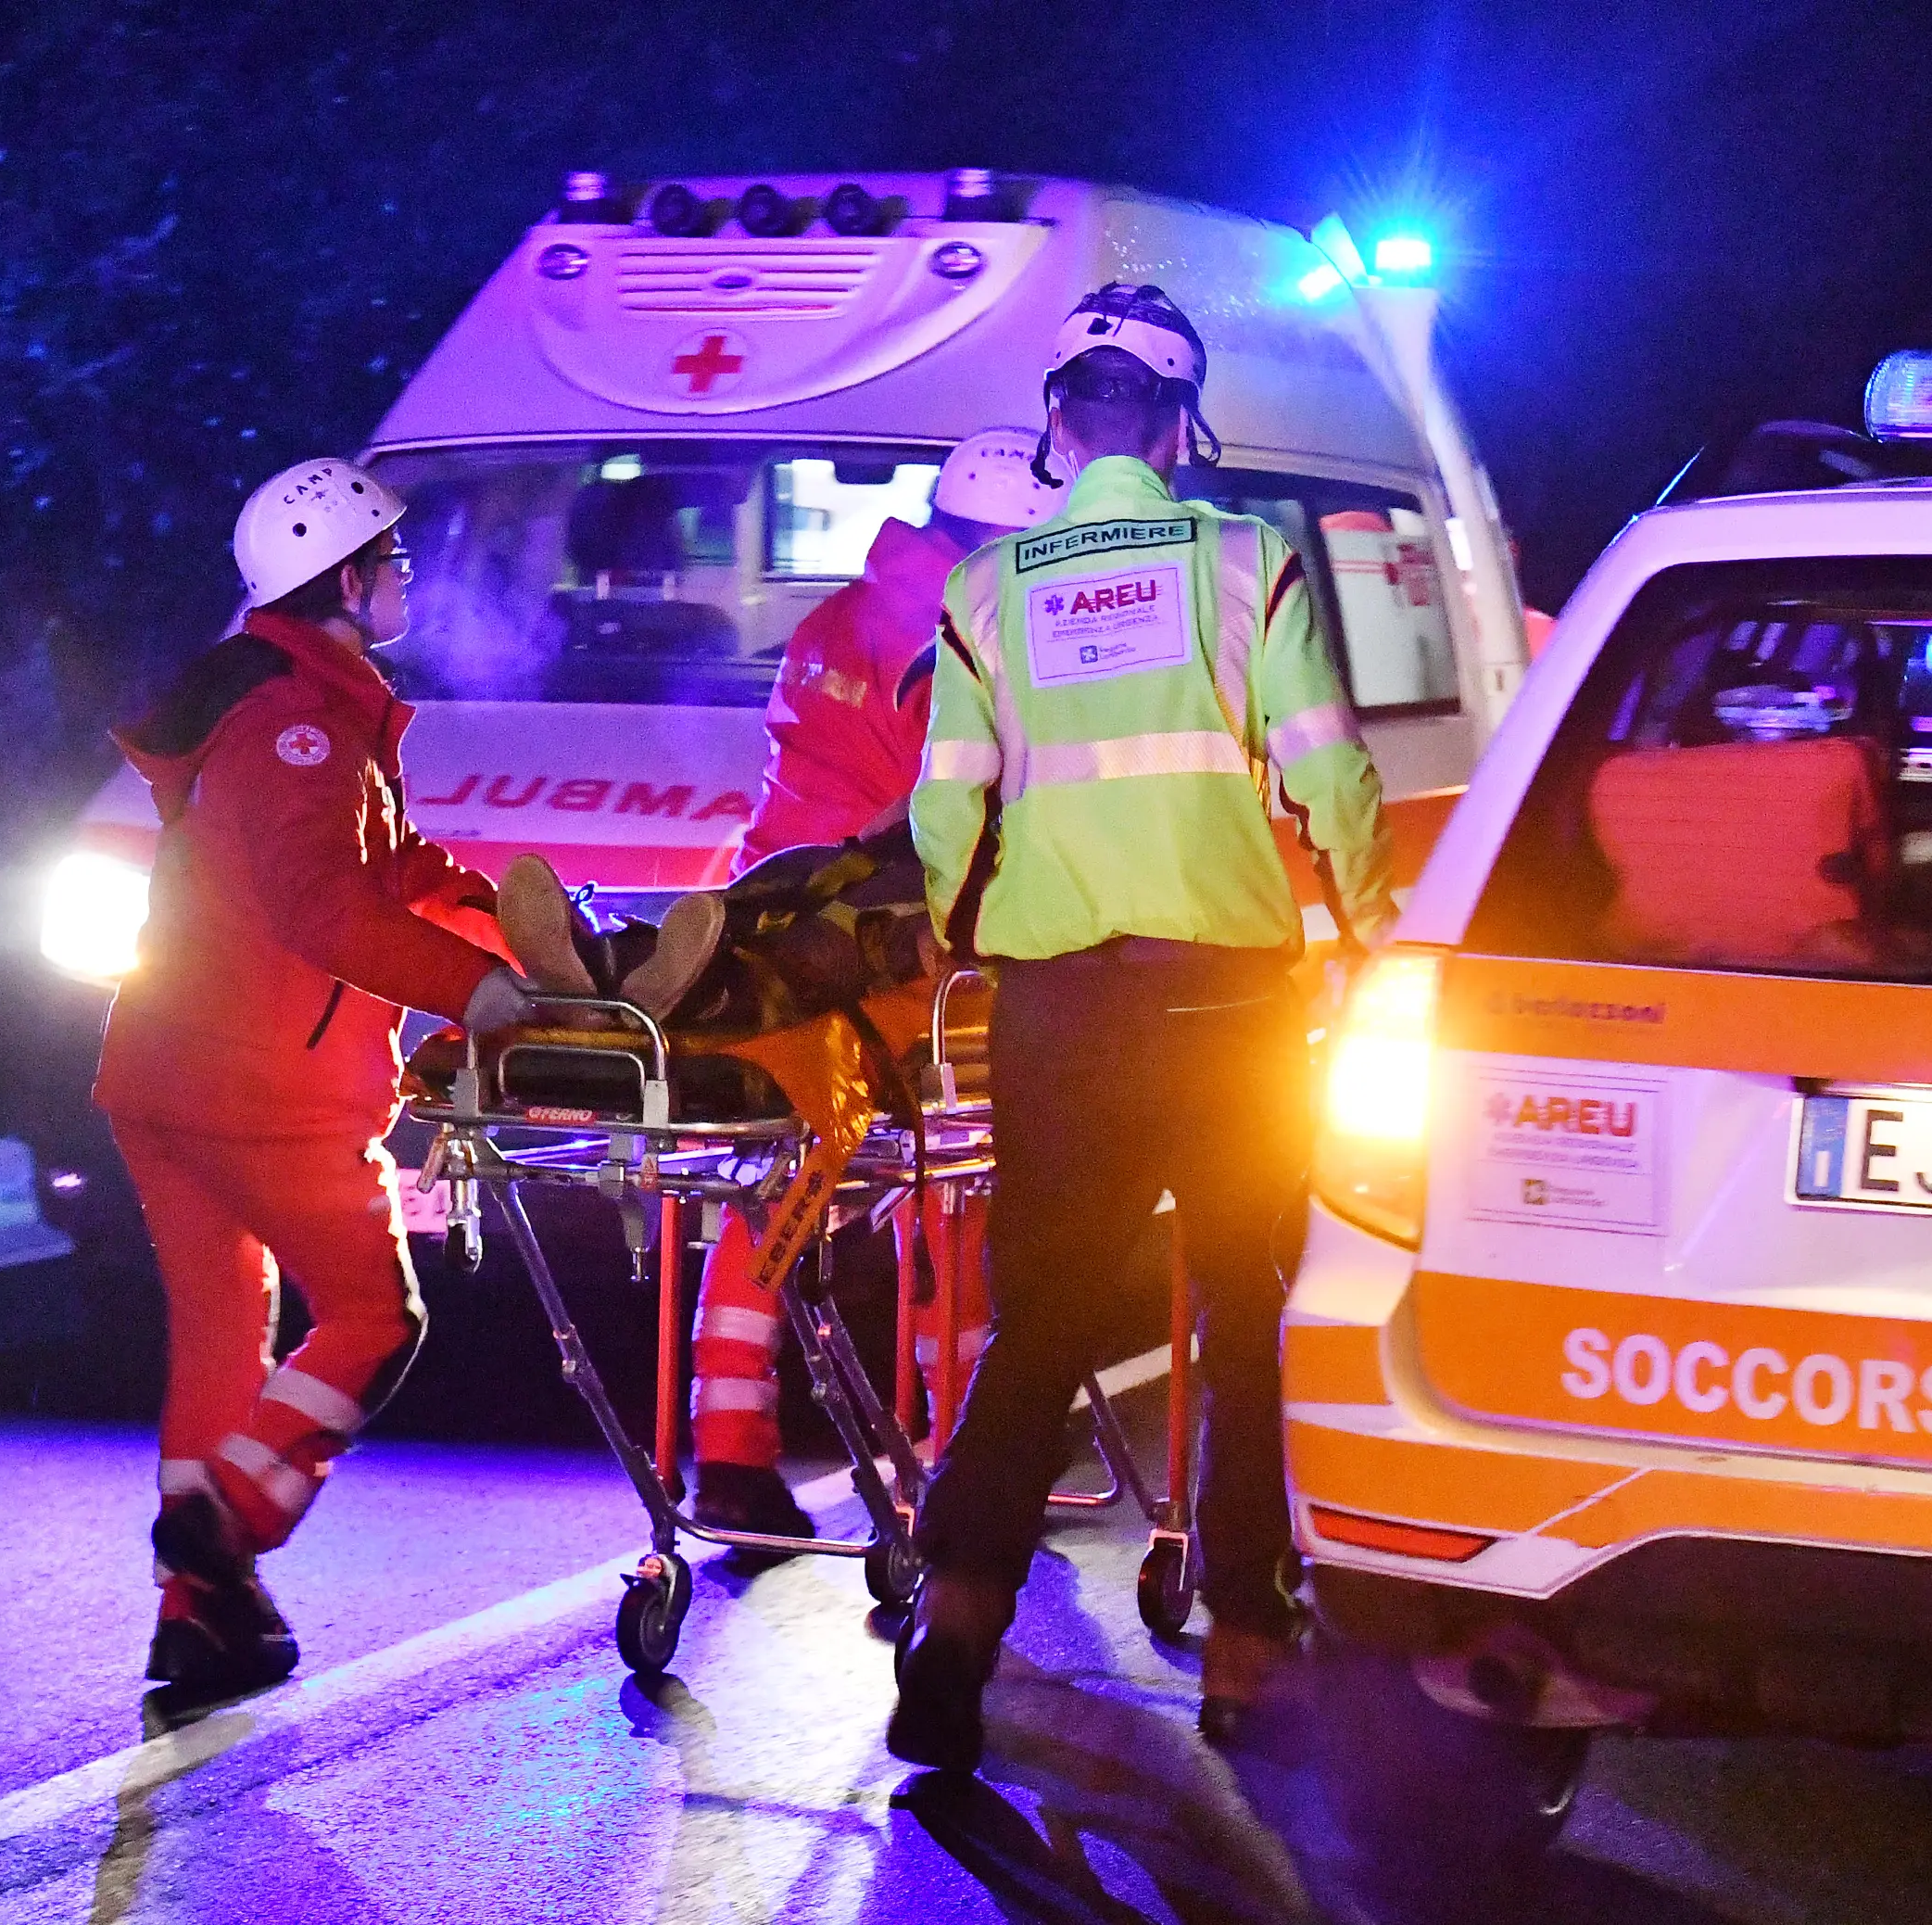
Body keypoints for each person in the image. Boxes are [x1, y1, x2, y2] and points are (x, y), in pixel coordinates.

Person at [888, 284, 1398, 1774]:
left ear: (1056, 422)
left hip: (1059, 1010)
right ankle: (1243, 1645)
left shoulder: (984, 592)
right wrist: (1367, 928)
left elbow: (946, 804)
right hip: (1227, 1007)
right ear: (1181, 428)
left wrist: (965, 927)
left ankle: (958, 1628)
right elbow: (1329, 774)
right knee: (1248, 1318)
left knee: (1036, 1320)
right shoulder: (1248, 561)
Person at [500, 431, 1067, 1546]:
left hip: (776, 886)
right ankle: (968, 1461)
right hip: (893, 936)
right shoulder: (965, 639)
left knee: (759, 1159)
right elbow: (961, 816)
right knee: (951, 1206)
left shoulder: (840, 618)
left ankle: (731, 1460)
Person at [95, 458, 537, 1697]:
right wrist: (476, 991)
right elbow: (321, 905)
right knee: (375, 1317)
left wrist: (518, 928)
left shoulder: (300, 708)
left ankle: (197, 1621)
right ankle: (230, 1519)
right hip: (260, 1088)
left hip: (166, 1076)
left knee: (225, 1336)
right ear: (344, 578)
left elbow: (391, 865)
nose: (406, 574)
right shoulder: (296, 726)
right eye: (391, 559)